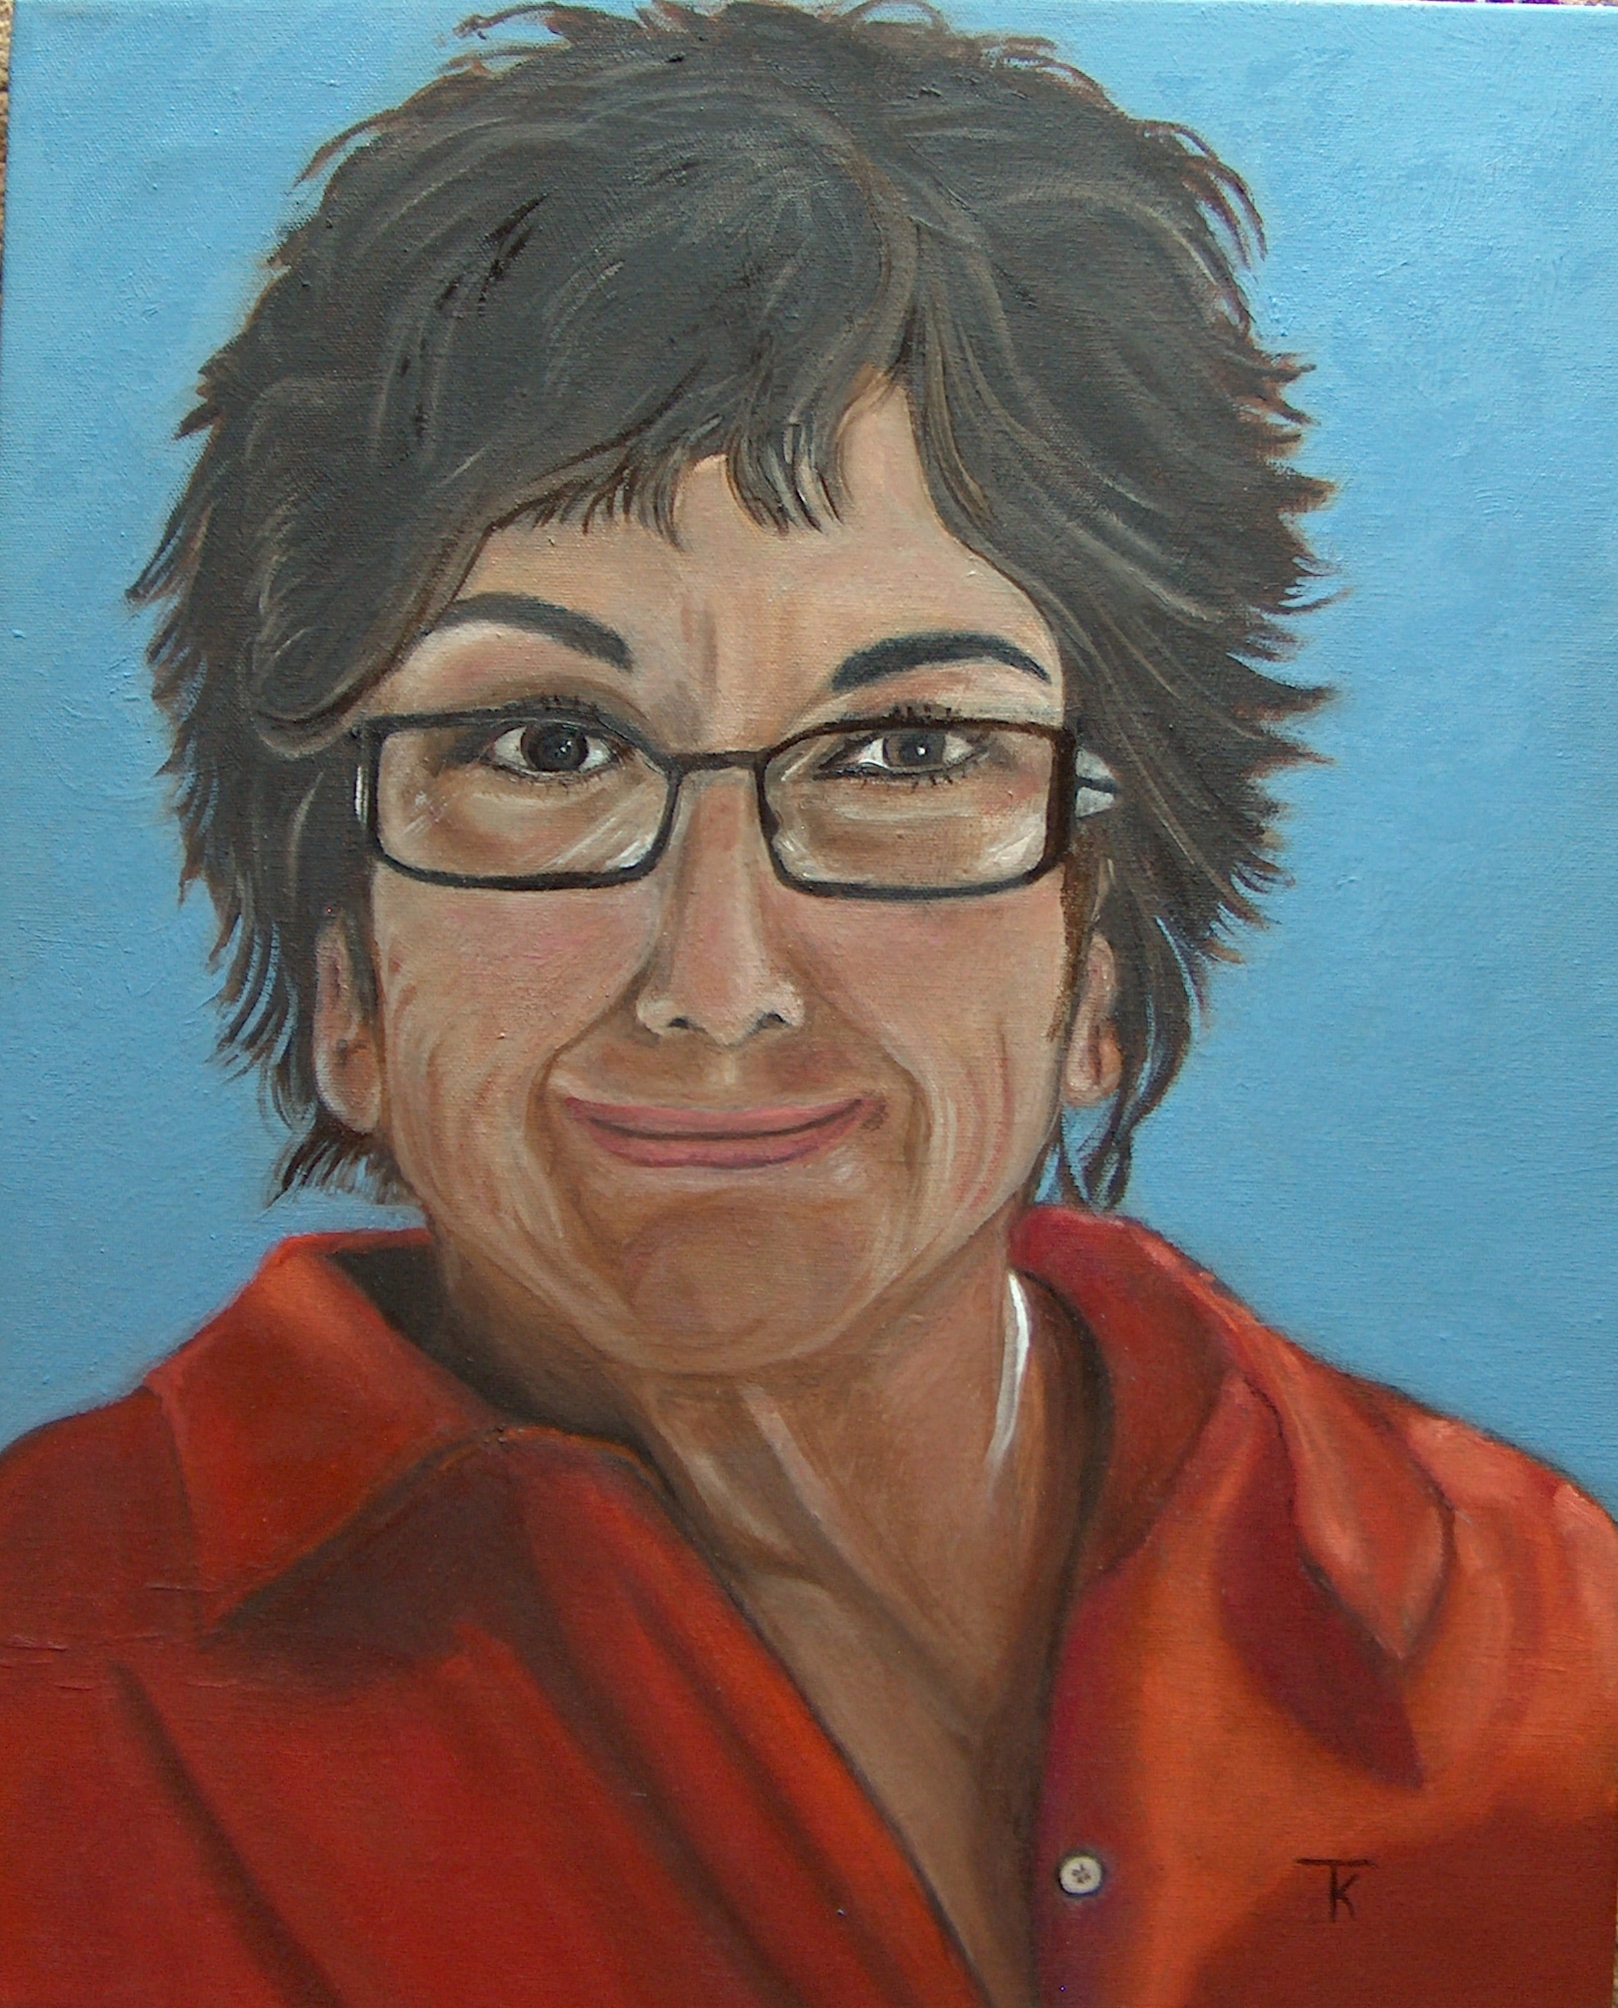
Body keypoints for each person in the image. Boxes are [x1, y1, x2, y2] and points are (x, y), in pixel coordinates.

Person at [2, 5, 1614, 2003]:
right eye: (543, 744)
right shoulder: (50, 1689)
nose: (718, 982)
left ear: (1103, 940)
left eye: (906, 752)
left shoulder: (1527, 1643)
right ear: (342, 956)